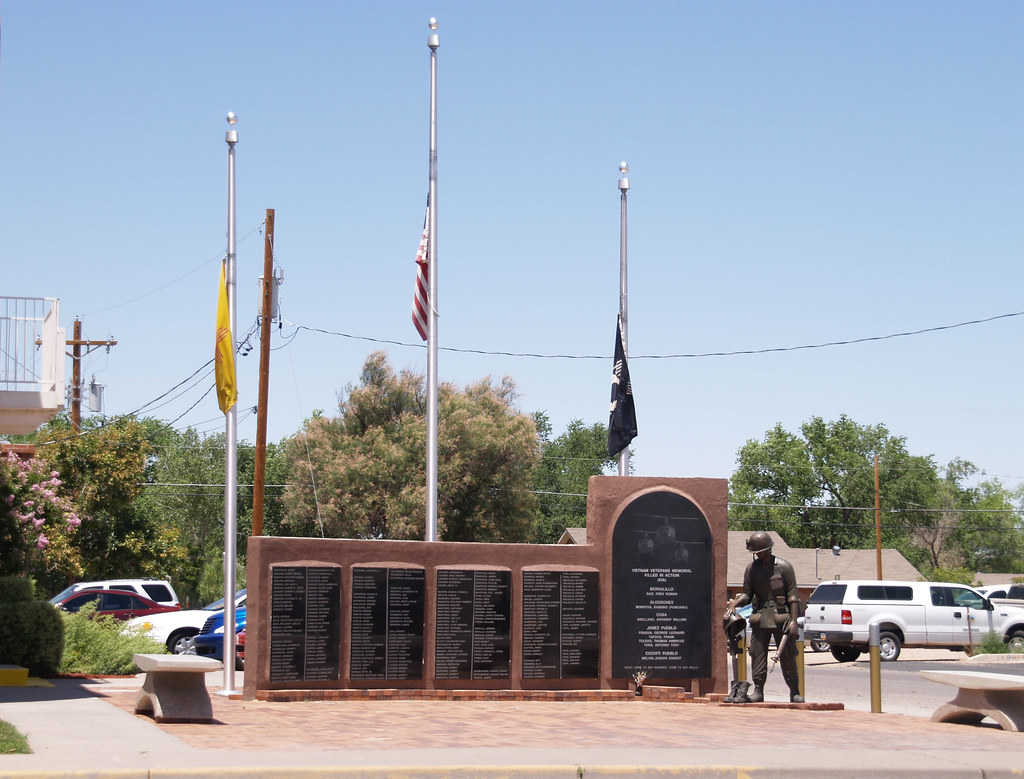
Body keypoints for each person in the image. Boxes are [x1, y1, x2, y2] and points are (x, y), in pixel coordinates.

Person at [725, 530, 803, 703]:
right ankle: (758, 690)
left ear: (768, 549)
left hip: (782, 617)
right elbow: (746, 595)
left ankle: (795, 691)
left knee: (788, 656)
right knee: (757, 654)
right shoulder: (751, 569)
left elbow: (793, 597)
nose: (758, 555)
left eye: (760, 551)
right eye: (755, 552)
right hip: (760, 618)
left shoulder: (784, 567)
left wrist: (794, 622)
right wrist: (733, 605)